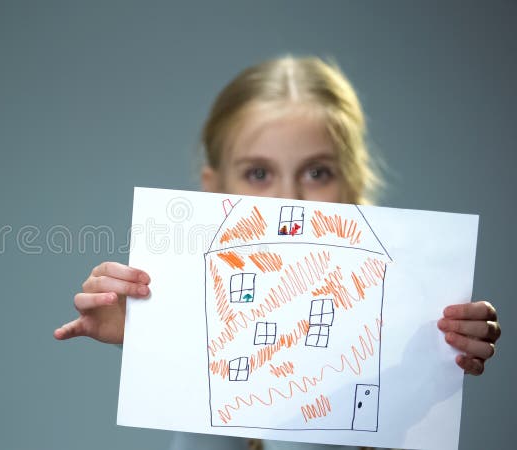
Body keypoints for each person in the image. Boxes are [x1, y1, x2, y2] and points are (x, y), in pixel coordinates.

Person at [53, 55, 501, 450]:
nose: (289, 200)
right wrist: (155, 330)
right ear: (214, 189)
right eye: (259, 173)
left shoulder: (406, 319)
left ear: (355, 183)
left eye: (317, 172)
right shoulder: (203, 307)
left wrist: (439, 353)